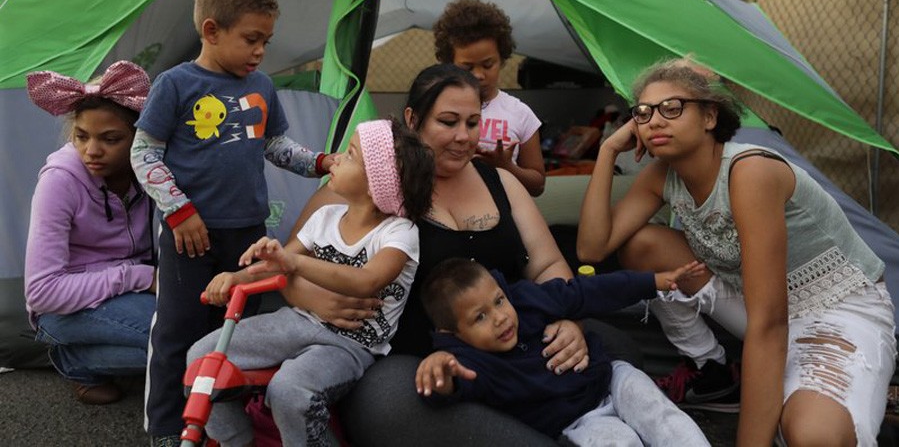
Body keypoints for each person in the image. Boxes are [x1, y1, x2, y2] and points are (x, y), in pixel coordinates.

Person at [285, 64, 637, 446]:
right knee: (388, 401)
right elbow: (284, 265)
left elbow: (548, 263)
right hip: (420, 362)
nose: (463, 137)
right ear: (413, 119)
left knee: (615, 344)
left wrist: (568, 320)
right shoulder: (368, 187)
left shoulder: (498, 180)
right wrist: (313, 298)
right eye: (448, 122)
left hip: (512, 342)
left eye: (473, 123)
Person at [576, 58, 896, 446]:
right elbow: (592, 247)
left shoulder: (749, 172)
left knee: (813, 435)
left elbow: (770, 324)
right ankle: (711, 367)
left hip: (835, 310)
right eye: (642, 113)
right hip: (755, 302)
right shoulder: (663, 176)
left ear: (710, 117)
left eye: (672, 108)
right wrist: (608, 150)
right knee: (642, 245)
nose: (654, 121)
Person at [130, 0, 336, 445]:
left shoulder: (262, 87)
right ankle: (165, 426)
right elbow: (143, 152)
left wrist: (322, 161)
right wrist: (179, 211)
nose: (261, 50)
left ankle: (231, 424)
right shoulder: (175, 85)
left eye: (267, 39)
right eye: (251, 38)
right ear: (211, 30)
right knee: (179, 330)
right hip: (189, 234)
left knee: (241, 332)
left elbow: (276, 146)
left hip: (249, 236)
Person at [186, 118, 434, 446]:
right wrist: (236, 277)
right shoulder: (324, 218)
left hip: (350, 346)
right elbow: (278, 267)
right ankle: (237, 441)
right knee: (201, 359)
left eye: (350, 155)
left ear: (378, 183)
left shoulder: (398, 233)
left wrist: (295, 263)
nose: (336, 158)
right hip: (297, 320)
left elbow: (367, 281)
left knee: (290, 390)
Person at [415, 258, 710, 446]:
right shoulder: (470, 362)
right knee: (618, 442)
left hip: (608, 380)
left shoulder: (527, 299)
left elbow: (587, 291)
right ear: (453, 334)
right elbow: (453, 388)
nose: (500, 317)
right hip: (579, 421)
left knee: (657, 413)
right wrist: (442, 374)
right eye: (479, 317)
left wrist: (654, 281)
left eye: (499, 301)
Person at [24, 60, 156, 406]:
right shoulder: (60, 182)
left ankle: (86, 356)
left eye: (110, 139)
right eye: (81, 137)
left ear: (140, 138)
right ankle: (76, 360)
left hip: (131, 293)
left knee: (196, 335)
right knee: (178, 342)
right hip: (64, 307)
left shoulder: (152, 169)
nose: (91, 151)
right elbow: (41, 292)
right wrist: (138, 276)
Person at [433, 0, 546, 196]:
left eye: (487, 65)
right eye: (467, 67)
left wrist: (507, 167)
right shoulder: (435, 108)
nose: (478, 75)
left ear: (502, 58)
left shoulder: (520, 114)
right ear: (449, 63)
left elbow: (538, 186)